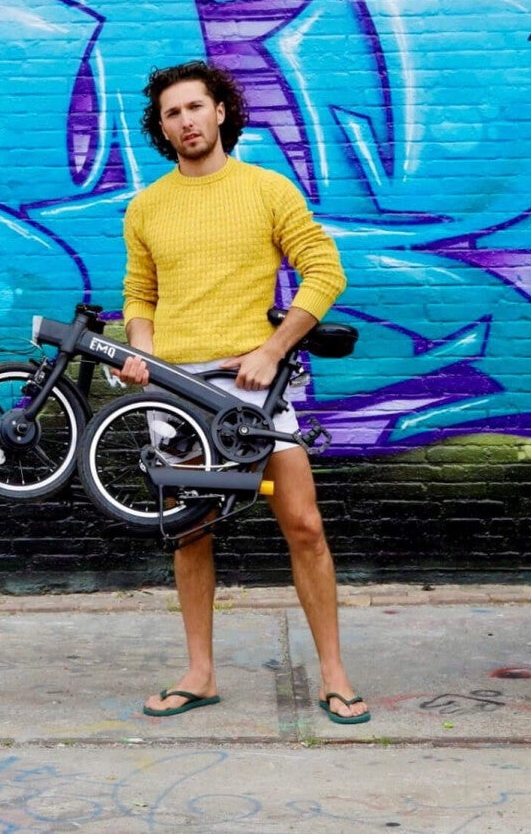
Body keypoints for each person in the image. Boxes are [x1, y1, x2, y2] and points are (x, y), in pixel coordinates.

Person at [113, 60, 369, 725]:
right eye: (172, 113)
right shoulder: (146, 206)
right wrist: (139, 353)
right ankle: (199, 674)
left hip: (253, 389)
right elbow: (139, 294)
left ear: (221, 110)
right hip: (175, 392)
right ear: (162, 128)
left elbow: (325, 271)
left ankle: (334, 675)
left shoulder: (266, 189)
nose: (186, 121)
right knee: (190, 533)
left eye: (195, 107)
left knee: (304, 525)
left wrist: (271, 349)